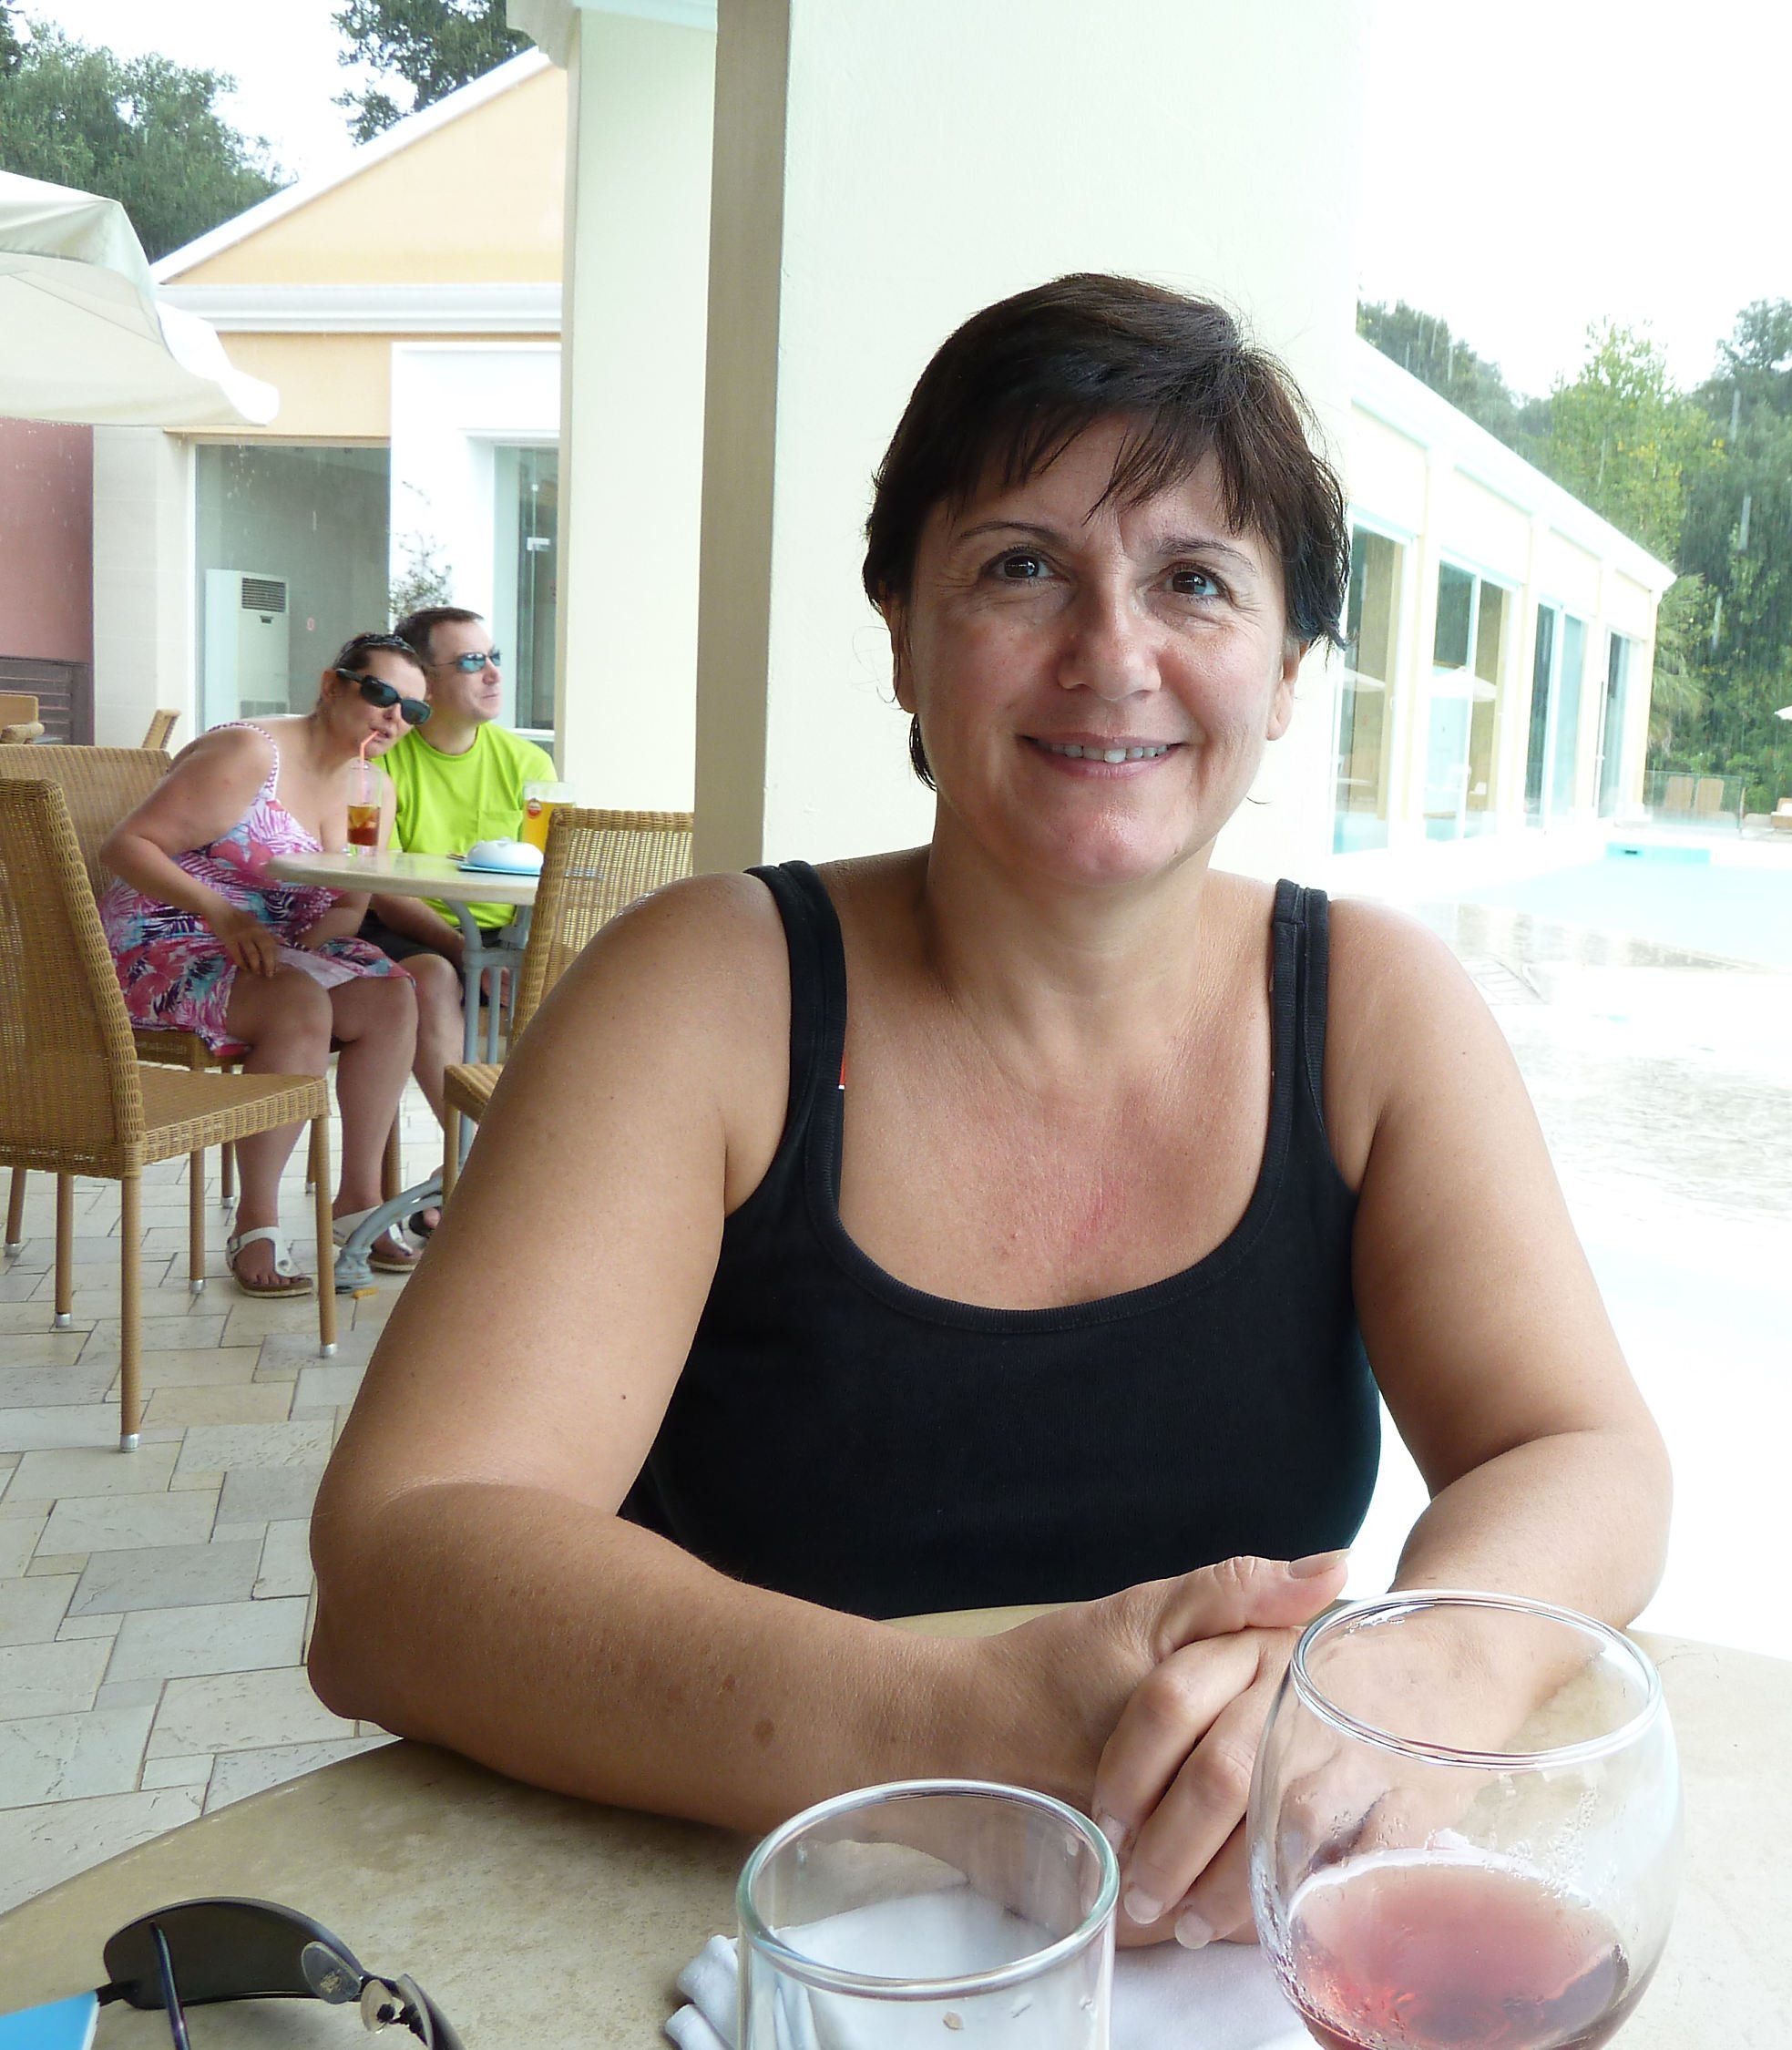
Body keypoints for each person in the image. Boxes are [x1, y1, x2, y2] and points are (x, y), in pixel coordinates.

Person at [309, 276, 1670, 1953]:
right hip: (737, 1945)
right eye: (1021, 567)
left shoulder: (1374, 1013)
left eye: (1194, 580)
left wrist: (1414, 1673)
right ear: (901, 628)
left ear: (1289, 669)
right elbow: (398, 1565)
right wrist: (951, 1738)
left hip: (1203, 1972)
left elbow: (1585, 1453)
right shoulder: (710, 997)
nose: (1114, 656)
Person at [98, 634, 433, 1293]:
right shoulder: (250, 754)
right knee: (296, 1001)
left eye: (413, 711)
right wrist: (223, 914)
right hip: (164, 940)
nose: (394, 717)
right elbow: (126, 846)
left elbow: (351, 901)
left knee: (392, 994)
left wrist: (314, 945)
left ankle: (359, 1199)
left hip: (269, 950)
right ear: (332, 684)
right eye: (382, 694)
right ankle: (257, 1220)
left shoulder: (373, 789)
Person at [361, 606, 558, 1167]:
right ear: (424, 680)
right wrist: (465, 952)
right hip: (413, 934)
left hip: (508, 936)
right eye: (472, 662)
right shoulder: (384, 759)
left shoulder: (528, 762)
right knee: (436, 978)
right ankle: (472, 1162)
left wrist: (515, 952)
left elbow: (546, 876)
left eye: (495, 657)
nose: (494, 673)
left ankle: (541, 1163)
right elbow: (383, 891)